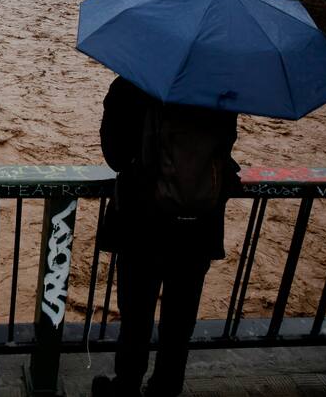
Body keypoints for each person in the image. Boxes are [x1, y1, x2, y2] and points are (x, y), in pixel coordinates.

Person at [93, 76, 240, 397]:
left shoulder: (130, 87)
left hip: (142, 227)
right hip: (198, 229)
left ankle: (126, 386)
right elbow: (222, 152)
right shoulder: (218, 90)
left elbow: (115, 156)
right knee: (180, 320)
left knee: (136, 318)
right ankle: (166, 387)